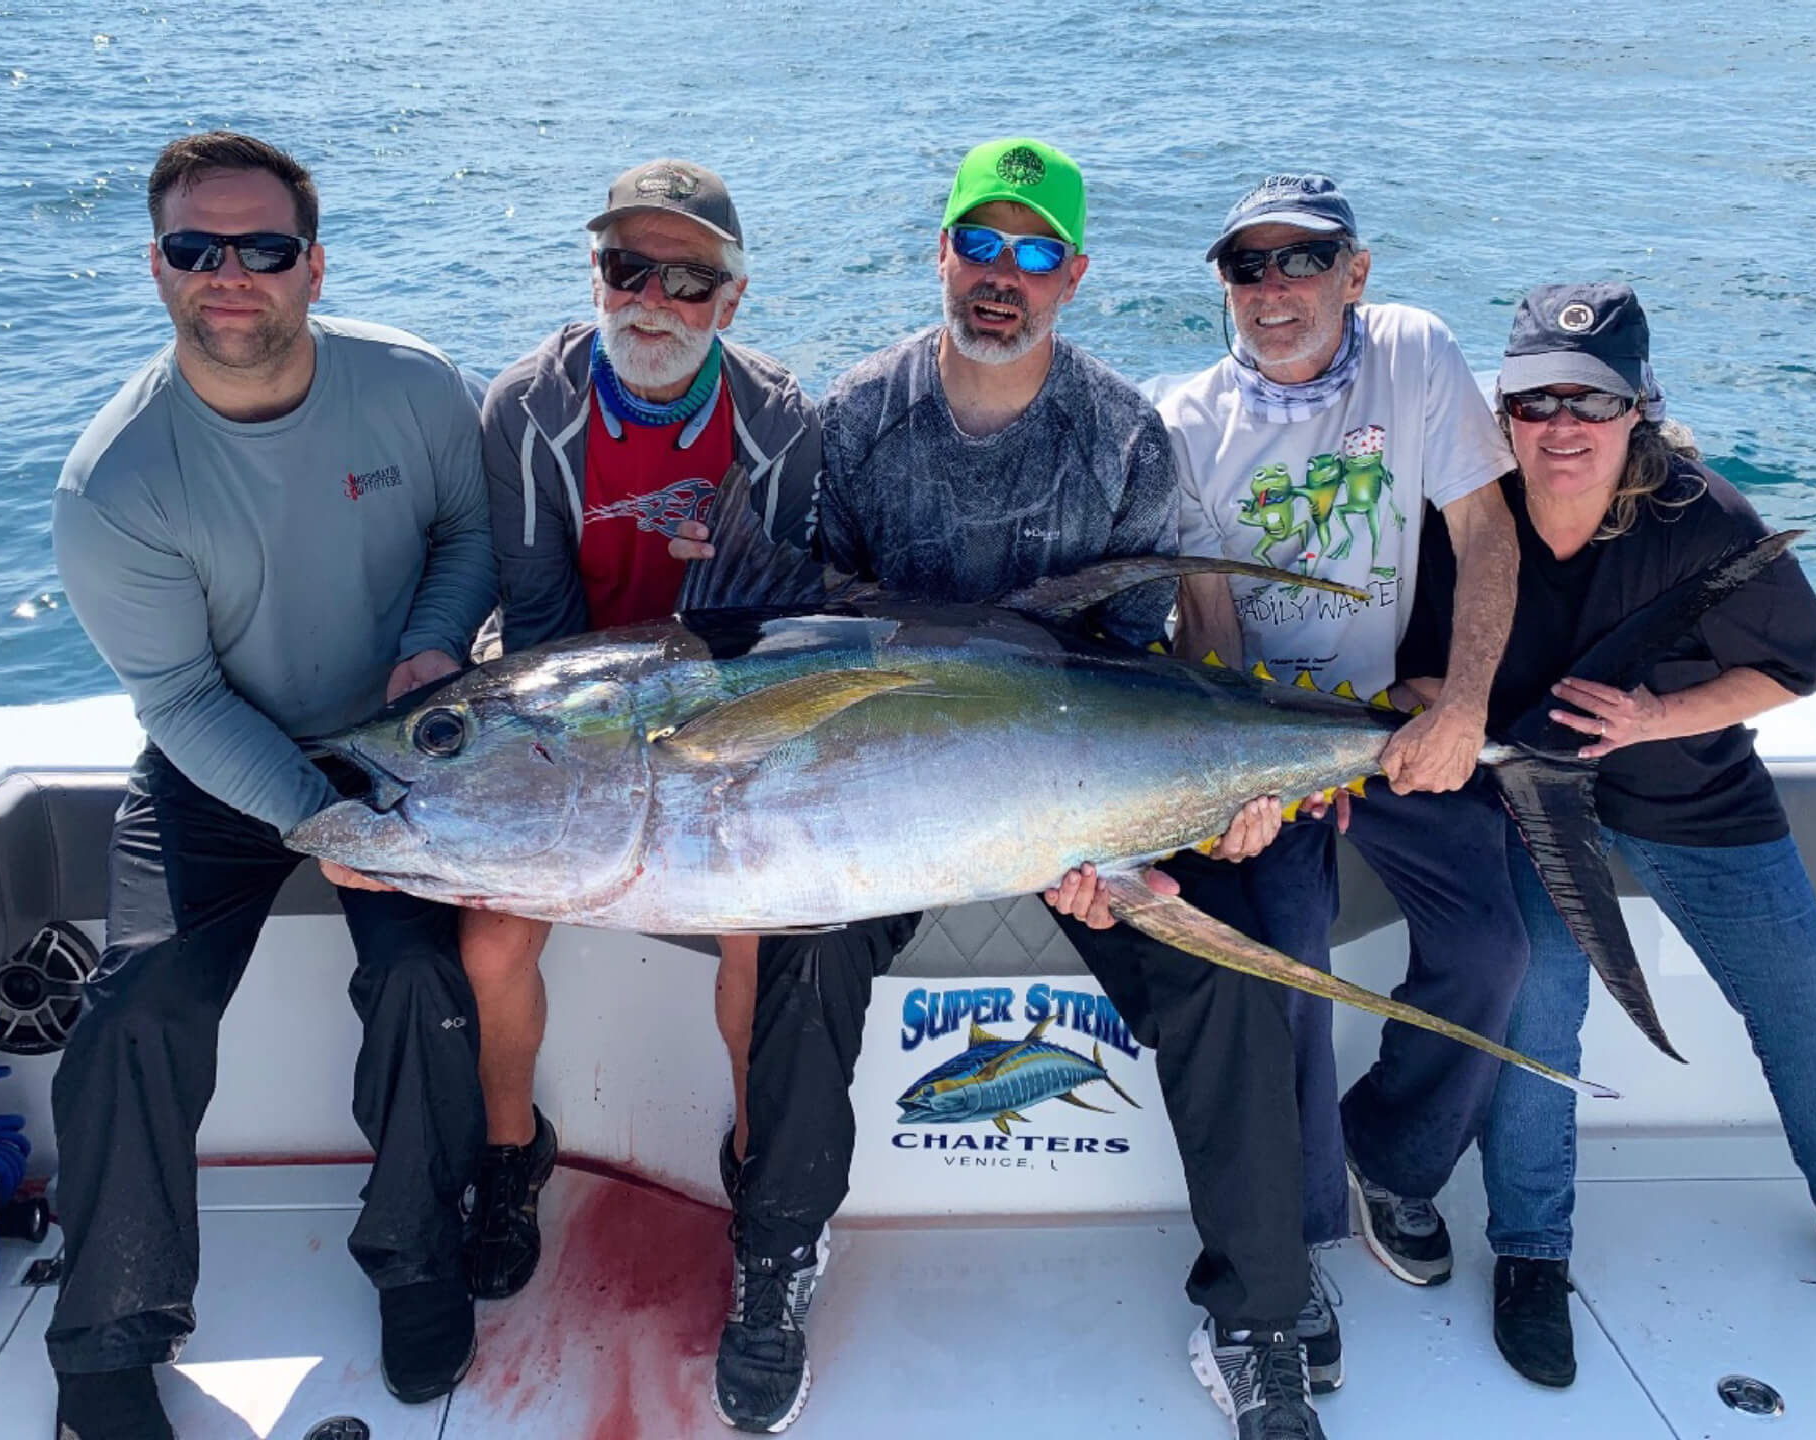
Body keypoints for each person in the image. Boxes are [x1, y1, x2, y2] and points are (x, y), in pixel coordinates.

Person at [674, 137, 1321, 1440]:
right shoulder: (852, 423)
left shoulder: (1123, 434)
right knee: (800, 959)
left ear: (1073, 275)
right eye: (982, 243)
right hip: (880, 807)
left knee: (1228, 975)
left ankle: (1257, 1315)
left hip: (1072, 799)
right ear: (943, 251)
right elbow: (799, 653)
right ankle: (779, 1258)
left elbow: (1132, 662)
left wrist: (1129, 825)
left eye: (1034, 254)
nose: (1001, 277)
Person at [47, 132, 497, 1439]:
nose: (227, 274)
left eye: (261, 248)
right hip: (221, 758)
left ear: (313, 264)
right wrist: (314, 813)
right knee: (136, 1007)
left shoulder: (411, 387)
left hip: (407, 742)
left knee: (425, 980)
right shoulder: (114, 483)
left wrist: (432, 643)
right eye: (196, 249)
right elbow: (180, 701)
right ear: (158, 268)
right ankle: (108, 1331)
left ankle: (417, 1259)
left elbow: (468, 535)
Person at [1396, 281, 1816, 1388]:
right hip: (1526, 801)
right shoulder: (1461, 512)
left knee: (1803, 995)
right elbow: (1408, 664)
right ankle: (1533, 1254)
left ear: (1638, 410)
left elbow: (1800, 666)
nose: (1562, 427)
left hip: (1697, 796)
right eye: (1537, 400)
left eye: (1591, 405)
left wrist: (1655, 718)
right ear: (1501, 409)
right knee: (1540, 1006)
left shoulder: (1701, 516)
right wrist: (1453, 714)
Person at [1160, 174, 1524, 1370]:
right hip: (1261, 741)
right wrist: (1231, 786)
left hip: (1383, 724)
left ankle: (1394, 1155)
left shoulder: (1415, 353)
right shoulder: (1187, 420)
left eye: (1300, 262)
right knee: (1286, 960)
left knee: (1492, 947)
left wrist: (1465, 704)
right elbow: (1206, 623)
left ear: (1355, 274)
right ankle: (1296, 1240)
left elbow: (1484, 533)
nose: (1273, 291)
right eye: (1248, 268)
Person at [463, 158, 822, 1300]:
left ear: (731, 299)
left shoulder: (775, 419)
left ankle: (758, 1162)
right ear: (596, 272)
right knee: (492, 935)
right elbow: (537, 618)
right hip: (565, 687)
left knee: (756, 941)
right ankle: (513, 1150)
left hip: (716, 693)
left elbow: (771, 634)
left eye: (686, 277)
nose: (652, 300)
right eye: (629, 268)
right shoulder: (529, 405)